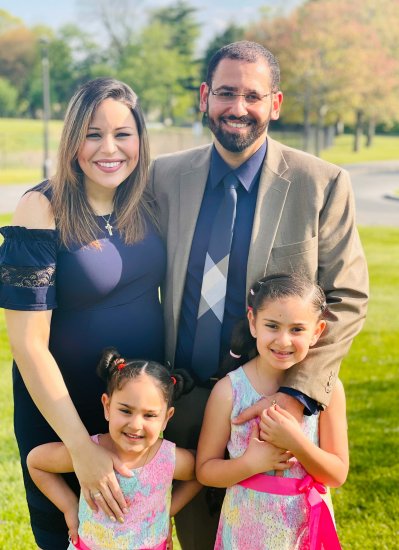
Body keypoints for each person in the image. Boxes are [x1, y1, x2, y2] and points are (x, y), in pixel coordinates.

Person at [148, 40, 367, 548]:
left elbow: (349, 297)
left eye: (253, 95)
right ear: (205, 97)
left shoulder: (322, 183)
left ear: (275, 103)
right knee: (202, 539)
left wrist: (295, 398)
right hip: (187, 399)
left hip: (274, 408)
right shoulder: (164, 176)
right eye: (225, 93)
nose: (238, 107)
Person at [0, 78, 166, 549]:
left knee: (141, 534)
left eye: (123, 134)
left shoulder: (146, 199)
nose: (109, 148)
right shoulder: (41, 208)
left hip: (139, 413)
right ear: (72, 139)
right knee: (73, 536)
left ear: (140, 140)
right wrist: (80, 447)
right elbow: (28, 345)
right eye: (93, 134)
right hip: (65, 412)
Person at [196, 273, 348, 549]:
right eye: (272, 326)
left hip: (304, 530)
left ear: (317, 331)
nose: (283, 340)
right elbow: (205, 470)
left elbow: (337, 474)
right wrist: (251, 464)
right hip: (245, 529)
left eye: (297, 330)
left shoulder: (328, 391)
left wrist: (297, 442)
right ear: (253, 323)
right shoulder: (229, 391)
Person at [27, 348, 201, 550]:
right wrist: (69, 507)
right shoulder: (89, 452)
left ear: (166, 418)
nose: (136, 424)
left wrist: (167, 512)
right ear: (107, 406)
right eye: (126, 411)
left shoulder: (168, 459)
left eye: (150, 415)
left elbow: (200, 473)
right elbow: (36, 463)